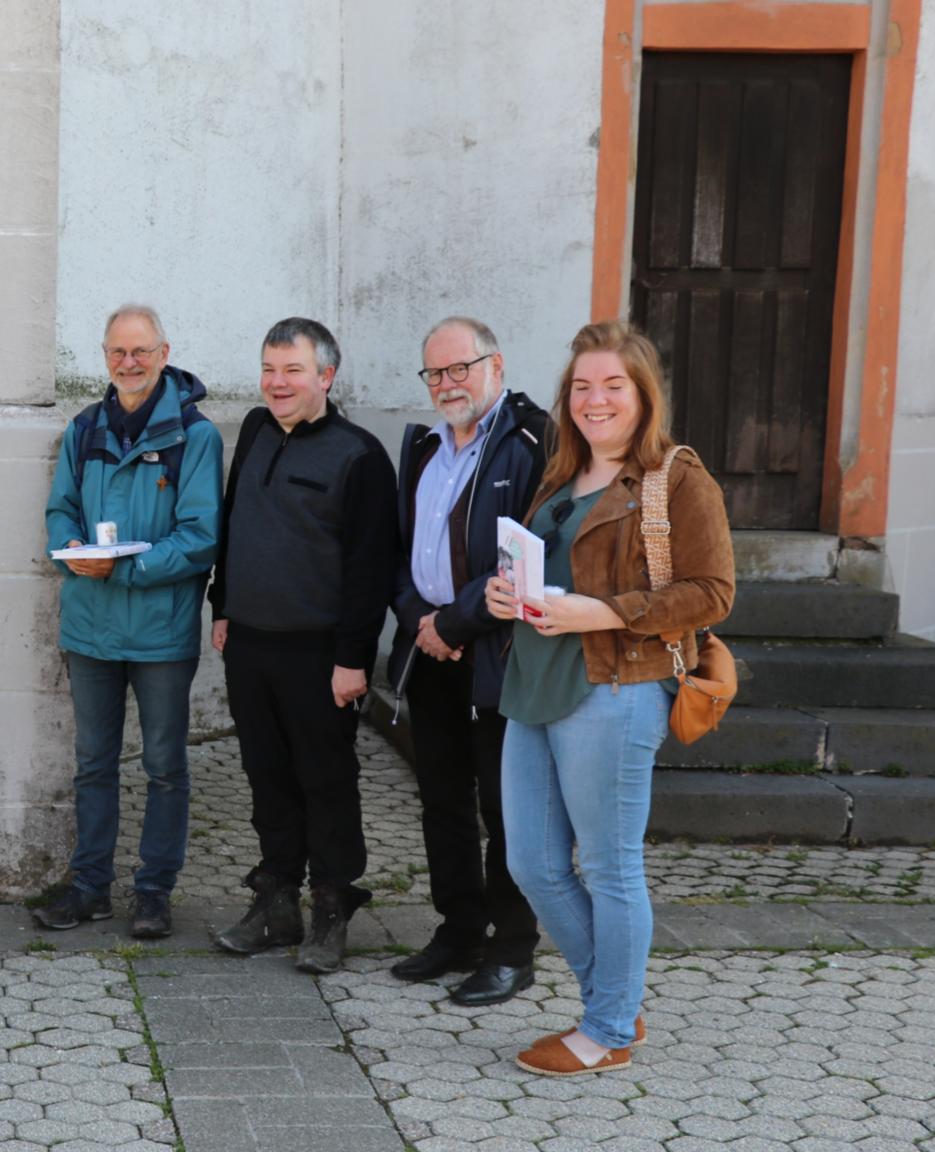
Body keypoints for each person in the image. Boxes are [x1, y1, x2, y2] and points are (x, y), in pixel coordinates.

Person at [487, 321, 732, 1075]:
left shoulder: (675, 479)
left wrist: (608, 611)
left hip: (616, 687)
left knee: (608, 865)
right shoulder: (558, 475)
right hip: (534, 682)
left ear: (643, 394)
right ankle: (617, 1005)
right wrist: (509, 593)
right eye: (583, 386)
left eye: (613, 385)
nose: (595, 400)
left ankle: (607, 1029)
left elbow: (713, 592)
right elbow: (549, 571)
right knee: (531, 863)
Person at [208, 317, 398, 974]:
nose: (277, 383)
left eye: (292, 370)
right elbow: (235, 521)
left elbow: (372, 568)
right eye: (269, 368)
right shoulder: (257, 431)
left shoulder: (360, 456)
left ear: (326, 375)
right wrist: (222, 605)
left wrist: (354, 658)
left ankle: (331, 910)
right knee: (267, 779)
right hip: (251, 646)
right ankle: (277, 903)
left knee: (327, 783)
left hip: (321, 657)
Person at [33, 304, 222, 940]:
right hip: (90, 628)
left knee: (165, 765)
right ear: (104, 356)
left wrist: (122, 569)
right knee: (93, 763)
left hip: (161, 633)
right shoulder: (84, 428)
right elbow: (60, 511)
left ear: (164, 354)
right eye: (117, 352)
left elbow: (200, 538)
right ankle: (89, 886)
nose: (129, 362)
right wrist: (75, 553)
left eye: (141, 352)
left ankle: (153, 892)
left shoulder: (195, 437)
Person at [384, 317, 550, 1006]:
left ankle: (511, 950)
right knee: (441, 800)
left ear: (496, 364)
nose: (448, 383)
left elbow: (525, 562)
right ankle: (458, 931)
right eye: (435, 373)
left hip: (495, 656)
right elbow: (400, 550)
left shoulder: (532, 442)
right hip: (429, 652)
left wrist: (452, 623)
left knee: (504, 806)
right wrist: (419, 621)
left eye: (461, 368)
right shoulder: (423, 448)